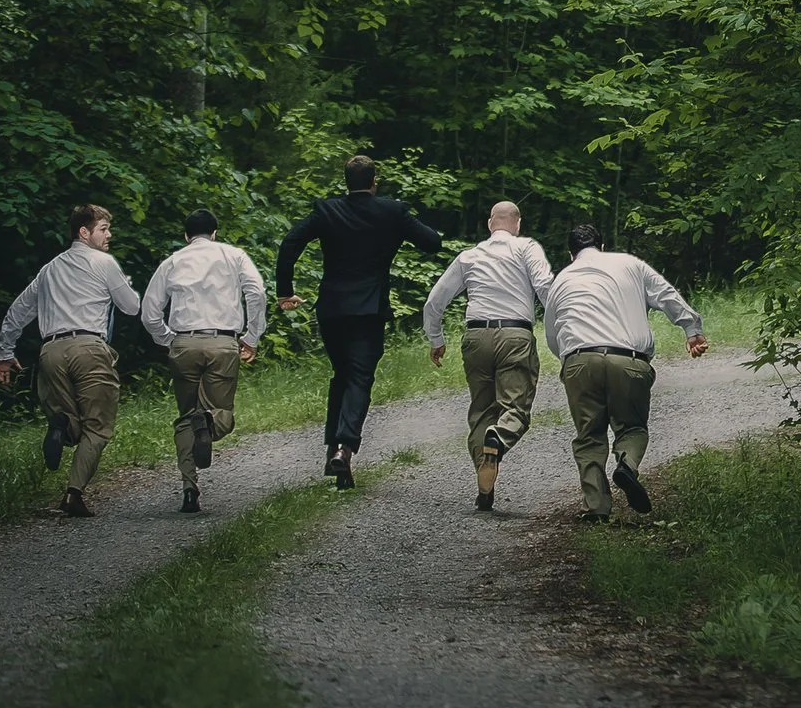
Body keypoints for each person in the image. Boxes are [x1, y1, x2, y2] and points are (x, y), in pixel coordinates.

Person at [276, 153, 443, 488]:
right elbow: (432, 243)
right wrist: (402, 227)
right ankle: (344, 446)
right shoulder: (391, 212)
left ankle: (333, 452)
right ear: (373, 181)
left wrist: (285, 291)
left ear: (346, 182)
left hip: (332, 308)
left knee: (343, 375)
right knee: (360, 378)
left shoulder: (327, 210)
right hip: (368, 310)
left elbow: (290, 242)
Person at [542, 223, 707, 522]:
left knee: (589, 436)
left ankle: (596, 509)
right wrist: (691, 328)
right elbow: (666, 295)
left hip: (579, 360)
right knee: (631, 428)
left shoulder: (561, 280)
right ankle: (626, 467)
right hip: (628, 359)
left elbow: (553, 334)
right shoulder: (631, 264)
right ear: (602, 246)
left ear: (571, 254)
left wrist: (571, 363)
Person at [0, 203, 142, 518]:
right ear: (84, 232)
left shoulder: (49, 269)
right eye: (103, 229)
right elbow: (131, 307)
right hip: (90, 348)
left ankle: (60, 423)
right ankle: (73, 495)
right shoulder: (104, 263)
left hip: (51, 352)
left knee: (70, 422)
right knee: (98, 427)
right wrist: (123, 285)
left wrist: (5, 354)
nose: (109, 235)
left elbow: (17, 312)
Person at [421, 200, 556, 512]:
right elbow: (545, 287)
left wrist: (436, 339)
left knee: (481, 411)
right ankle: (499, 437)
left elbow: (434, 301)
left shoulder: (470, 256)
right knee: (515, 409)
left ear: (489, 223)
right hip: (515, 336)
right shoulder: (527, 247)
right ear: (518, 224)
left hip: (476, 337)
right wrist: (562, 324)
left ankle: (485, 483)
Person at [140, 207, 266, 514]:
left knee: (186, 416)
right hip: (223, 341)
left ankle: (189, 491)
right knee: (221, 413)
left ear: (186, 236)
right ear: (215, 232)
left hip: (184, 343)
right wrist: (251, 336)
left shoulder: (172, 262)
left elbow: (149, 310)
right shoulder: (234, 255)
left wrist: (169, 339)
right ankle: (208, 422)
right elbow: (257, 291)